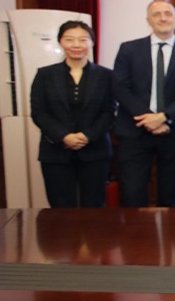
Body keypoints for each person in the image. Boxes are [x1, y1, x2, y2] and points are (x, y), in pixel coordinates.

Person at [112, 0, 175, 207]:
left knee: (169, 195)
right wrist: (149, 119)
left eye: (168, 14)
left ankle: (167, 230)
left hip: (173, 131)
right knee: (132, 194)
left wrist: (164, 117)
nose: (163, 18)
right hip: (134, 131)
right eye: (156, 14)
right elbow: (120, 88)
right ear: (148, 20)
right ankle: (138, 231)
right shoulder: (129, 49)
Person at [29, 21, 115, 208]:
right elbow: (39, 113)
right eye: (69, 39)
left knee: (95, 206)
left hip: (95, 150)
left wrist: (88, 135)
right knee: (60, 206)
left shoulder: (106, 75)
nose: (76, 45)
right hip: (55, 151)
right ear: (60, 42)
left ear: (92, 42)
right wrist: (64, 136)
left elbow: (109, 112)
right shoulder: (45, 75)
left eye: (83, 40)